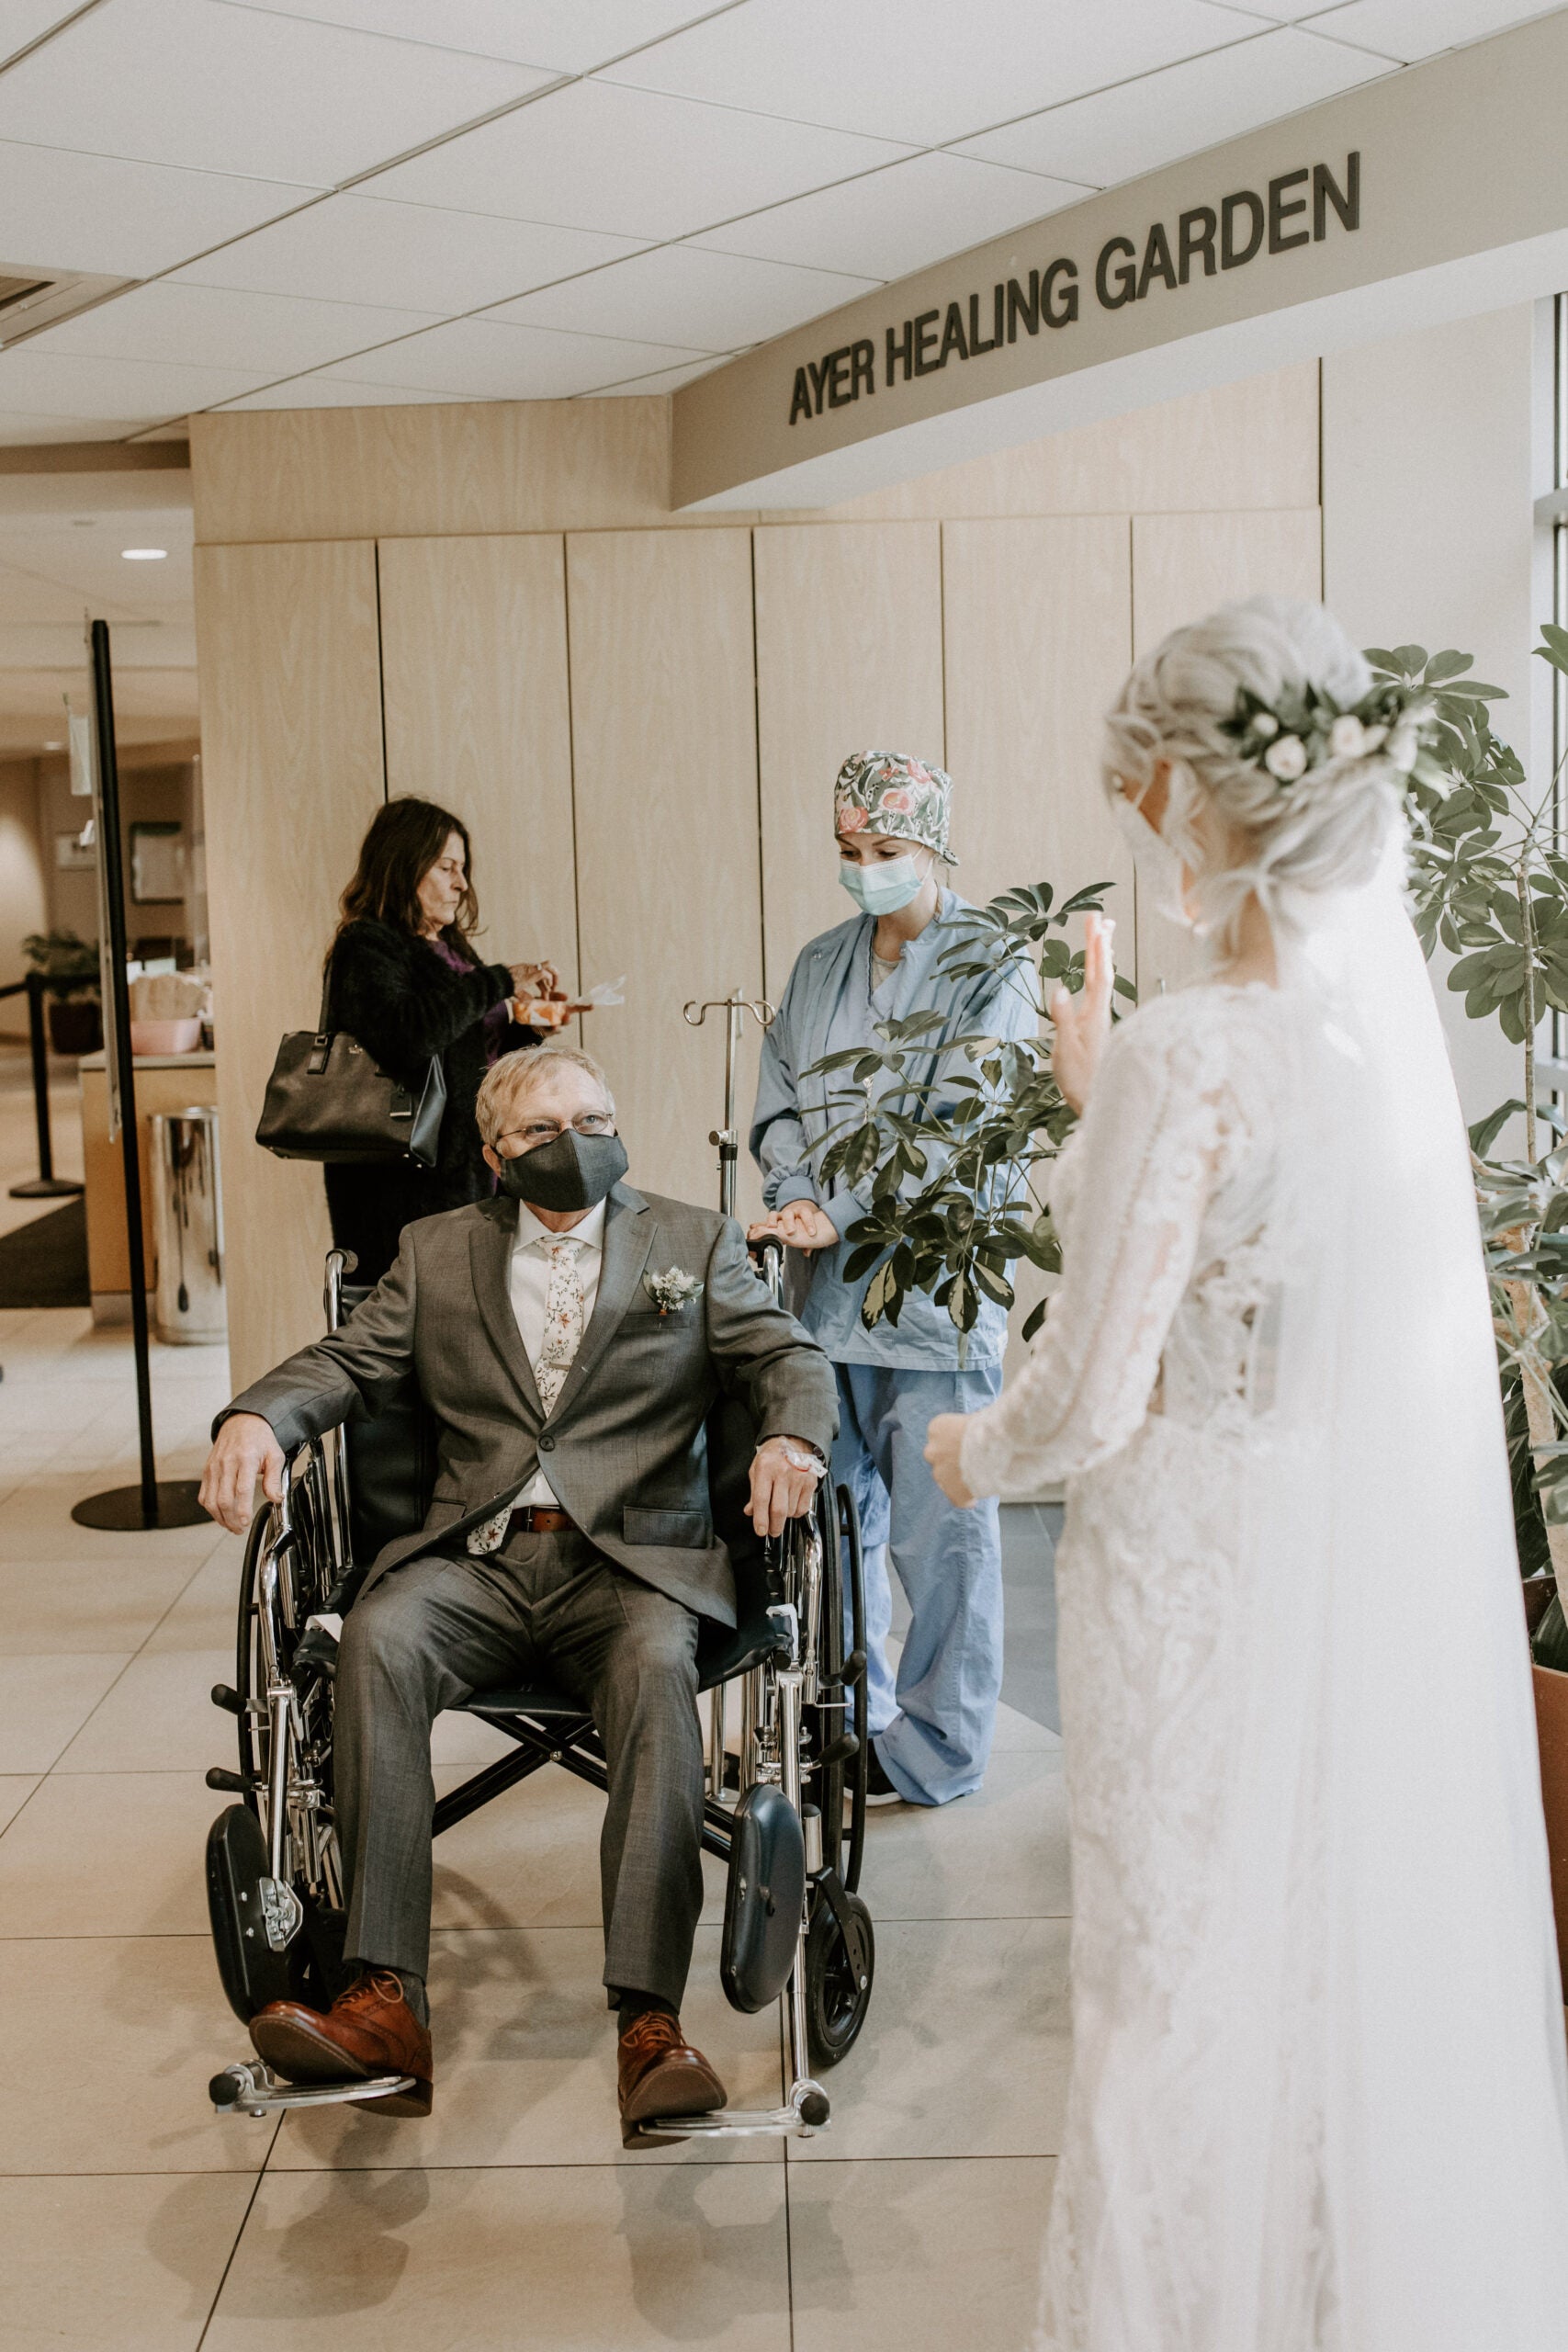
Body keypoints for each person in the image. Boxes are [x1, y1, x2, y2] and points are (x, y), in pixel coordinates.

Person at [923, 598, 1568, 2349]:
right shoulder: (1363, 1062)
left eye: (1148, 796)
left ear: (1212, 800)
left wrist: (969, 1448)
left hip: (1181, 1579)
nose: (1145, 833)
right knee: (1301, 1976)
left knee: (1161, 1991)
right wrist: (1091, 1111)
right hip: (1327, 1558)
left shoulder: (1183, 1050)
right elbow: (1237, 1279)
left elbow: (1089, 1399)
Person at [200, 1040, 836, 2143]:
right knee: (379, 1641)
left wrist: (792, 1436)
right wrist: (257, 1414)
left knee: (653, 1665)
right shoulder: (437, 1250)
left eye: (594, 1119)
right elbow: (349, 1363)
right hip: (474, 1559)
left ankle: (649, 2024)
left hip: (635, 1562)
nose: (576, 1144)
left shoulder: (690, 1239)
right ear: (497, 1156)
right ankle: (383, 2003)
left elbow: (787, 1357)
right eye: (545, 1130)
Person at [749, 752, 1034, 1807]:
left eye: (887, 850)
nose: (865, 869)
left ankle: (938, 1749)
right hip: (825, 1298)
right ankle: (849, 1722)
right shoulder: (821, 962)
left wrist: (841, 1204)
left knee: (941, 1540)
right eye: (850, 851)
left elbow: (955, 1120)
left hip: (927, 1301)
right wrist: (793, 1188)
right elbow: (777, 1092)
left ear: (935, 846)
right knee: (843, 1529)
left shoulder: (988, 963)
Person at [321, 796, 570, 1283]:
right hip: (404, 1182)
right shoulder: (367, 945)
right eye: (446, 867)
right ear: (404, 866)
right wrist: (498, 980)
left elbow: (467, 1045)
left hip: (470, 1169)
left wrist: (526, 1026)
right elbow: (406, 1038)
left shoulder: (449, 947)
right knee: (421, 1323)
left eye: (462, 869)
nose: (461, 883)